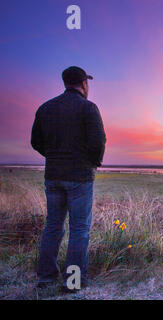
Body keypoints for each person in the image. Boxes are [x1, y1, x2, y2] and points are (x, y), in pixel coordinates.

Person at [31, 66, 106, 291]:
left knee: (53, 225)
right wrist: (91, 163)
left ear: (66, 83)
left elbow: (36, 142)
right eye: (88, 83)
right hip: (80, 178)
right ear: (84, 84)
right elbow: (98, 142)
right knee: (79, 228)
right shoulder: (88, 108)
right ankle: (73, 283)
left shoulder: (45, 108)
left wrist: (55, 156)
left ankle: (45, 279)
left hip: (53, 176)